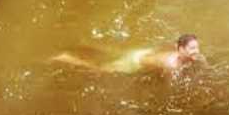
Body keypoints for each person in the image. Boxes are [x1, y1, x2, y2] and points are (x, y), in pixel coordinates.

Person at [52, 33, 204, 74]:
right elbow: (169, 86)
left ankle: (85, 43)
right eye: (192, 48)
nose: (196, 51)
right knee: (101, 70)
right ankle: (66, 58)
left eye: (197, 47)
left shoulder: (185, 54)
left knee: (115, 53)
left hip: (143, 53)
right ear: (180, 49)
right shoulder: (172, 66)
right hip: (134, 63)